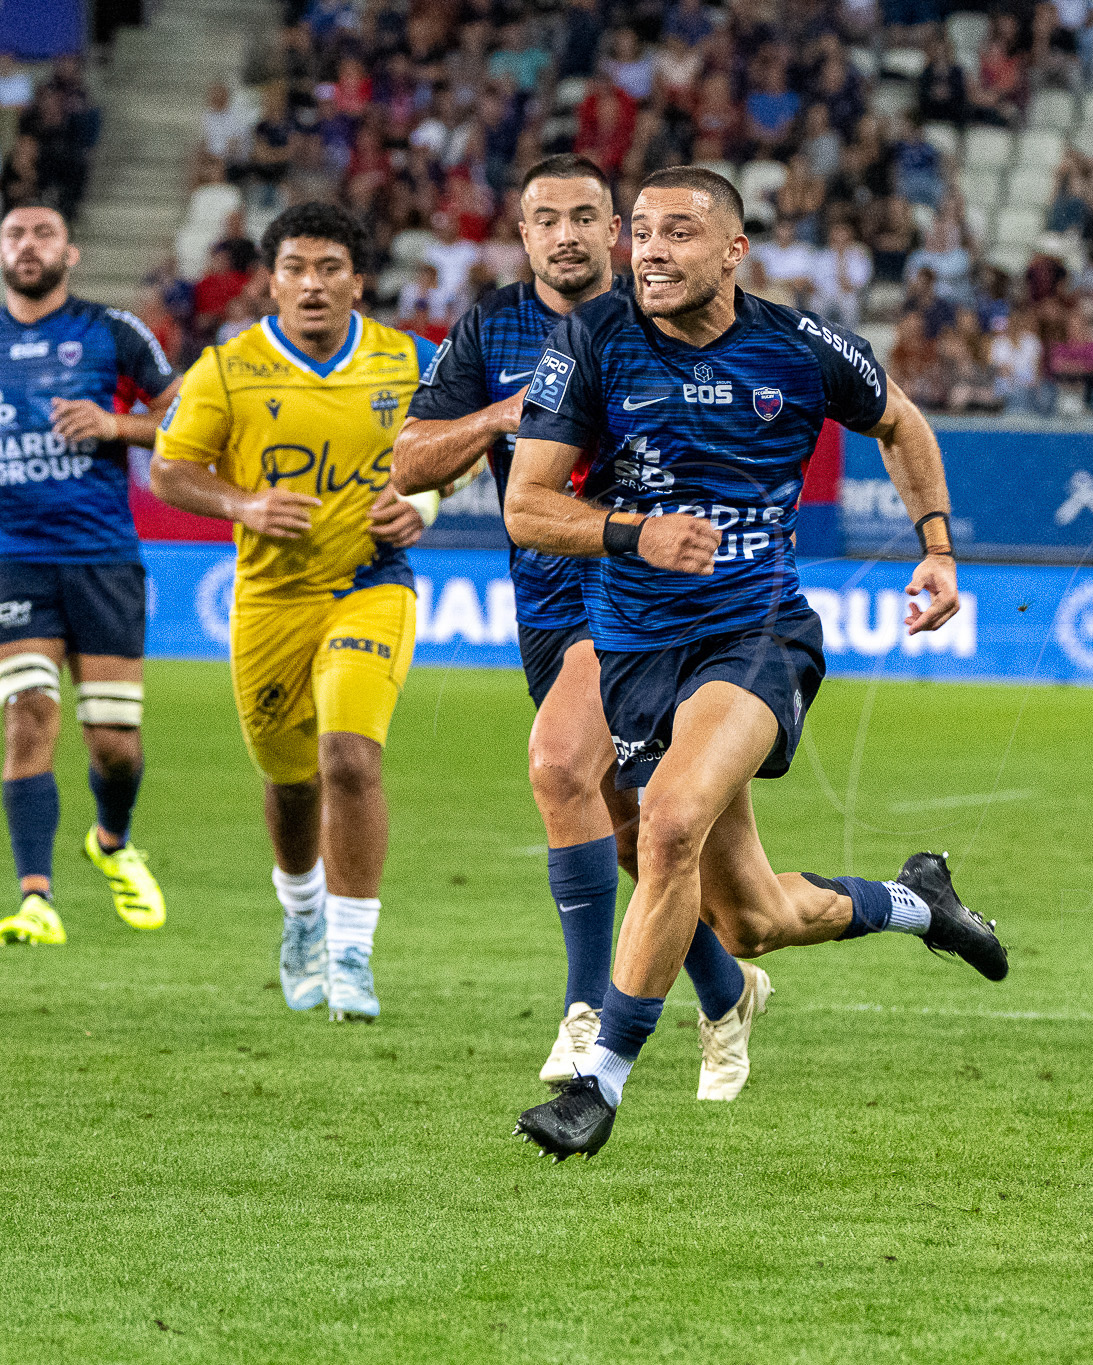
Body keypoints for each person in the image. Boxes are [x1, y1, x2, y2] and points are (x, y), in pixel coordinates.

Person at [504, 166, 1007, 1160]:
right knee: (753, 921)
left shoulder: (800, 346)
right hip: (639, 651)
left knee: (669, 819)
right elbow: (526, 506)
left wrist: (937, 549)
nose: (649, 250)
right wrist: (631, 534)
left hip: (759, 632)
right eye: (640, 232)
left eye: (678, 233)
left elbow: (900, 422)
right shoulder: (593, 343)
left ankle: (595, 1088)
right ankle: (920, 902)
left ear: (734, 251)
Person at [392, 155, 766, 1100]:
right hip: (543, 601)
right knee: (635, 831)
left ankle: (586, 1010)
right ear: (522, 235)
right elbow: (408, 464)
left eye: (585, 216)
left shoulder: (661, 322)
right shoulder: (491, 328)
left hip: (633, 597)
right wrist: (501, 415)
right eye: (543, 218)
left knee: (559, 762)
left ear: (616, 231)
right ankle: (727, 994)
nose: (565, 234)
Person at [152, 203, 435, 1023]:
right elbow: (173, 470)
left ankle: (351, 950)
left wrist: (432, 500)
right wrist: (241, 504)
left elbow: (455, 442)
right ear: (270, 281)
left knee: (351, 757)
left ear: (358, 278)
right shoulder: (229, 368)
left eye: (330, 268)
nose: (313, 285)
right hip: (271, 598)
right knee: (292, 778)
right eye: (296, 269)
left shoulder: (406, 358)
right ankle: (305, 912)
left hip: (371, 582)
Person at [0, 206, 180, 947]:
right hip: (15, 558)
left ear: (69, 252)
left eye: (43, 234)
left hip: (103, 556)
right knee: (28, 713)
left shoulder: (113, 332)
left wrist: (116, 425)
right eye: (14, 234)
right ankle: (36, 896)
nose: (28, 245)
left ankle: (109, 838)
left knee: (114, 744)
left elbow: (188, 421)